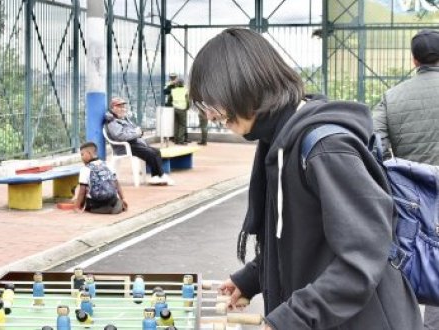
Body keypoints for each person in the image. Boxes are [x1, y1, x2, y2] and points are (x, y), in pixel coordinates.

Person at [189, 28, 422, 329]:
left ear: (244, 86)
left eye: (212, 103)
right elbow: (297, 240)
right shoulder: (277, 141)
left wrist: (290, 320)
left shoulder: (325, 148)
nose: (210, 116)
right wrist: (251, 279)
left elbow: (361, 261)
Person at [372, 29, 439, 329]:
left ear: (414, 59)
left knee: (413, 266)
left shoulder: (391, 97)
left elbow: (376, 148)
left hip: (414, 202)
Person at [105, 97, 173, 185]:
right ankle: (159, 176)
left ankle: (157, 176)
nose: (123, 109)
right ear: (113, 108)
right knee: (151, 153)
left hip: (133, 143)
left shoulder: (123, 118)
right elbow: (120, 136)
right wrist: (136, 133)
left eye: (123, 107)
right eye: (120, 107)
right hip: (126, 146)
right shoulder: (112, 121)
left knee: (156, 151)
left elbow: (132, 130)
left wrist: (138, 132)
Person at [74, 141, 127, 214]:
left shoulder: (85, 169)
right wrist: (123, 198)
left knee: (84, 201)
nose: (81, 157)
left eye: (82, 154)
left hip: (95, 204)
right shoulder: (107, 164)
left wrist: (76, 206)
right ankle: (116, 205)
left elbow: (82, 191)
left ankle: (106, 209)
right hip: (112, 200)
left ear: (89, 153)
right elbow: (116, 183)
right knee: (114, 199)